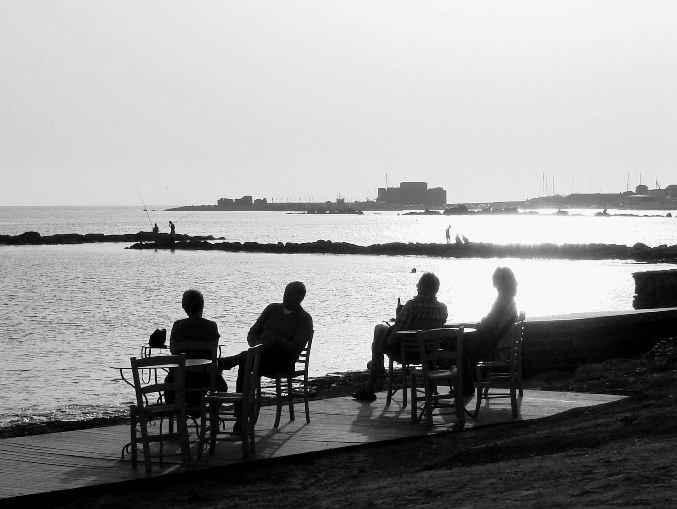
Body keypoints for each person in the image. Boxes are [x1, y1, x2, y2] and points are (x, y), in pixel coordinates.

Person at [218, 281, 313, 431]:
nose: (287, 298)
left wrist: (275, 342)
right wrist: (258, 345)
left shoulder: (304, 319)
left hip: (282, 361)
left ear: (300, 298)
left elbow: (295, 348)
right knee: (246, 364)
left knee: (267, 348)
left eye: (291, 295)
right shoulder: (271, 309)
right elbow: (253, 332)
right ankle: (241, 418)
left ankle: (228, 361)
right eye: (286, 293)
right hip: (259, 357)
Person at [352, 272, 448, 402]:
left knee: (378, 332)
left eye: (418, 284)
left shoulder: (411, 306)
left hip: (407, 353)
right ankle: (377, 369)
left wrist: (398, 319)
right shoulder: (442, 309)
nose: (416, 287)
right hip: (430, 354)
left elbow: (395, 337)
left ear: (425, 288)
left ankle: (372, 382)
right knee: (379, 339)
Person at [165, 289, 228, 408]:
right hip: (206, 377)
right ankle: (211, 415)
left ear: (184, 306)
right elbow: (213, 355)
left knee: (168, 384)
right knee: (222, 387)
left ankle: (176, 414)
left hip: (182, 377)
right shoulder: (211, 326)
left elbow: (174, 352)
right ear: (202, 305)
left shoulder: (178, 326)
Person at [462, 267, 518, 390]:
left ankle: (464, 383)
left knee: (461, 344)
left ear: (501, 280)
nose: (492, 279)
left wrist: (479, 325)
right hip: (500, 340)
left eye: (495, 277)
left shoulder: (504, 299)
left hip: (496, 344)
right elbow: (493, 319)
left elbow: (492, 320)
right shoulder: (508, 298)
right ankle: (465, 380)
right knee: (463, 344)